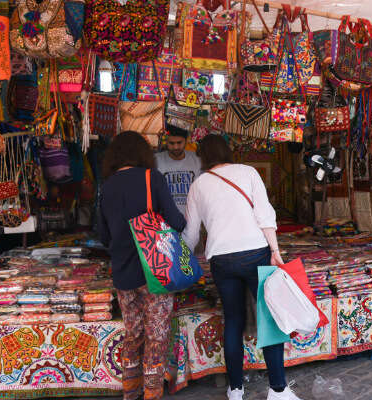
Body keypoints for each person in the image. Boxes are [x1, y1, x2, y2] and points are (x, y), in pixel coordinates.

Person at [183, 135, 301, 400]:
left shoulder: (198, 184)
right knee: (269, 320)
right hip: (255, 252)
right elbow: (265, 215)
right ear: (227, 151)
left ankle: (235, 389)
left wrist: (182, 263)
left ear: (203, 156)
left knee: (233, 320)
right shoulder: (248, 172)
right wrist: (275, 251)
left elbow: (190, 234)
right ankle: (277, 390)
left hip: (221, 260)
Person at [97, 131, 186, 400]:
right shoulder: (152, 179)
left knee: (133, 334)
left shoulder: (108, 186)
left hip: (123, 273)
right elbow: (178, 222)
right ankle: (152, 393)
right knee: (156, 336)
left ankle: (130, 392)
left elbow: (102, 235)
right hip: (154, 272)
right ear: (142, 153)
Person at [155, 125, 202, 217]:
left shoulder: (197, 161)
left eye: (179, 142)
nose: (176, 147)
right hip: (164, 222)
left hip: (193, 220)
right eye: (171, 143)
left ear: (186, 140)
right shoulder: (155, 161)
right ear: (165, 142)